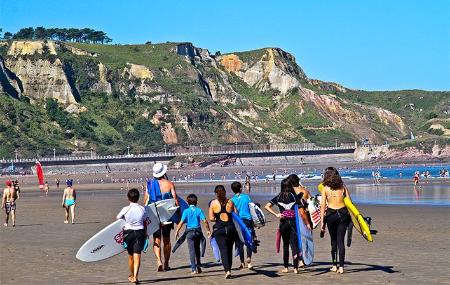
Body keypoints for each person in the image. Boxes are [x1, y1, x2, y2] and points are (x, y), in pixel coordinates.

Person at [143, 162, 178, 271]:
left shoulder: (149, 184)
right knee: (166, 240)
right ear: (164, 172)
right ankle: (166, 263)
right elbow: (175, 201)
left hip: (154, 215)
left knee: (156, 239)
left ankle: (159, 261)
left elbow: (145, 200)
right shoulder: (170, 184)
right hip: (167, 215)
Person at [265, 178, 301, 274]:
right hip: (293, 223)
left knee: (285, 245)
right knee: (294, 245)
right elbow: (301, 208)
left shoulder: (278, 197)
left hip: (283, 223)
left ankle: (285, 267)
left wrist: (276, 214)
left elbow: (267, 206)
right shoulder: (294, 196)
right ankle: (296, 268)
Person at [319, 167, 351, 274]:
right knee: (340, 241)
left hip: (331, 215)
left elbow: (323, 206)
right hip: (343, 214)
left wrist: (322, 222)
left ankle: (334, 265)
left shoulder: (325, 189)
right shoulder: (343, 187)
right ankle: (341, 267)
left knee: (333, 241)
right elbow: (350, 204)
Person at [117, 188, 148, 284]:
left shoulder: (125, 209)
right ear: (138, 198)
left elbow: (118, 218)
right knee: (137, 256)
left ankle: (131, 274)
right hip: (139, 233)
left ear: (128, 198)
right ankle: (135, 277)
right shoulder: (142, 209)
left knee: (130, 256)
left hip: (128, 233)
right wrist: (146, 234)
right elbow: (145, 221)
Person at [174, 194, 211, 274]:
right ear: (196, 202)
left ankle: (194, 269)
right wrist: (208, 230)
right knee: (197, 249)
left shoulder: (186, 211)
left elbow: (181, 222)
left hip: (190, 232)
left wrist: (177, 231)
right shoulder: (199, 210)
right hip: (198, 232)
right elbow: (205, 221)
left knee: (191, 251)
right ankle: (198, 264)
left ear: (187, 202)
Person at [209, 185, 238, 279]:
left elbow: (211, 218)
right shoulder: (230, 202)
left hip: (219, 229)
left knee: (223, 250)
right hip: (230, 228)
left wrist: (217, 217)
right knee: (229, 250)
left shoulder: (213, 203)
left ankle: (227, 271)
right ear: (225, 192)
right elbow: (236, 215)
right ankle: (229, 269)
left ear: (216, 193)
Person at [230, 181, 255, 269]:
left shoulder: (232, 200)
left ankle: (242, 263)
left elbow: (232, 213)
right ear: (240, 188)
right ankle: (249, 260)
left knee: (239, 242)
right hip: (248, 220)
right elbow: (251, 208)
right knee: (249, 240)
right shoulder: (246, 197)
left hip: (238, 222)